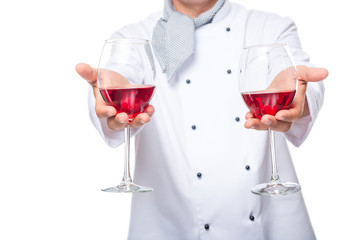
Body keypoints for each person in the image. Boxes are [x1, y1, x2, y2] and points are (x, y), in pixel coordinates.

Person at [76, 0, 328, 239]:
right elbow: (117, 75)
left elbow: (297, 76)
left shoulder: (270, 27)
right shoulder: (133, 36)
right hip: (169, 224)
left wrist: (298, 98)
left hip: (268, 225)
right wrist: (109, 104)